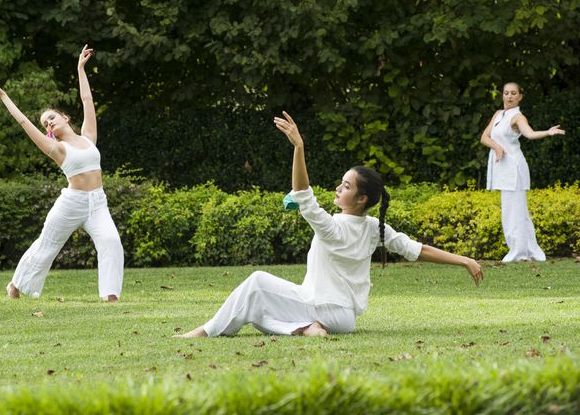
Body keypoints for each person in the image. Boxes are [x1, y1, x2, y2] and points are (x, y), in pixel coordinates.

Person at [174, 112, 483, 338]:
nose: (338, 188)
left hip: (321, 308)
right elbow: (418, 250)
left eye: (345, 186)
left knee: (256, 282)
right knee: (257, 308)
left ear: (361, 198)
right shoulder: (376, 228)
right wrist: (464, 260)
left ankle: (206, 331)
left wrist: (299, 148)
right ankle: (307, 328)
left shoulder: (333, 228)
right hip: (344, 319)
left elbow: (302, 195)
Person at [0, 45, 124, 301]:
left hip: (98, 202)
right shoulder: (57, 148)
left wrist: (80, 68)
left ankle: (110, 296)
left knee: (111, 242)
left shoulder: (88, 137)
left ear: (65, 117)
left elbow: (87, 101)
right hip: (72, 203)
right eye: (45, 123)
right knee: (47, 245)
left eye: (51, 117)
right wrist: (3, 96)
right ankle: (15, 284)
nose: (48, 122)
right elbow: (24, 122)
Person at [480, 82, 565, 263]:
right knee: (511, 210)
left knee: (515, 211)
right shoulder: (498, 114)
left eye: (513, 93)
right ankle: (525, 250)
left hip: (514, 168)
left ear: (520, 96)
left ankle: (519, 252)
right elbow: (484, 137)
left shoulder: (518, 117)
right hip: (502, 166)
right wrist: (497, 148)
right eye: (506, 93)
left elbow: (530, 134)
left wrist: (548, 133)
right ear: (502, 95)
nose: (509, 96)